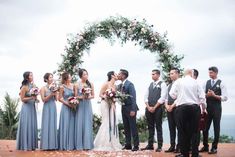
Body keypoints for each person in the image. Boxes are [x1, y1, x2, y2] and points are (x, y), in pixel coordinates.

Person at [170, 69, 206, 157]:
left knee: (182, 131)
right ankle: (195, 154)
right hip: (194, 109)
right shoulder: (196, 82)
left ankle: (184, 153)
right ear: (191, 73)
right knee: (195, 132)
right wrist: (203, 109)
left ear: (185, 74)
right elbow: (202, 98)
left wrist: (179, 95)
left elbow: (172, 94)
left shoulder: (178, 81)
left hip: (181, 109)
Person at [200, 66, 228, 154]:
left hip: (217, 108)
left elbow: (225, 97)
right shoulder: (206, 82)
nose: (209, 74)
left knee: (216, 128)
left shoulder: (222, 83)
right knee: (205, 128)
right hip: (207, 109)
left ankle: (214, 147)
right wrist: (206, 95)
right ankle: (205, 146)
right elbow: (201, 95)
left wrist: (214, 95)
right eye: (209, 72)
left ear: (216, 73)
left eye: (211, 72)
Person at [94, 71, 122, 151]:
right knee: (106, 121)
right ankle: (103, 143)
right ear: (112, 76)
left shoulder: (115, 86)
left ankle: (112, 143)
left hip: (112, 105)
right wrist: (107, 97)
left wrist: (113, 101)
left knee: (112, 122)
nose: (117, 75)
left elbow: (115, 97)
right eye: (116, 74)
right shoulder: (106, 84)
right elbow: (100, 94)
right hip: (105, 103)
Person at [141, 69, 166, 152]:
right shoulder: (150, 85)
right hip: (149, 109)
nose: (152, 76)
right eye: (151, 74)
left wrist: (154, 107)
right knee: (150, 127)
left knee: (158, 126)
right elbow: (145, 97)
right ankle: (150, 145)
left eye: (154, 74)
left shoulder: (163, 84)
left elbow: (163, 97)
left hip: (158, 108)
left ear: (158, 75)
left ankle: (159, 145)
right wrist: (148, 107)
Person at [118, 69, 139, 151]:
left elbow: (133, 97)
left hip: (131, 108)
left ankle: (136, 145)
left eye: (119, 74)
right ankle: (128, 144)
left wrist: (133, 110)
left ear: (123, 75)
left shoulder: (130, 84)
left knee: (133, 127)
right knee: (126, 127)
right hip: (123, 108)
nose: (118, 75)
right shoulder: (120, 85)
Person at [16, 71, 38, 150]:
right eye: (31, 75)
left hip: (32, 107)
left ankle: (31, 145)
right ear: (27, 77)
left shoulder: (34, 86)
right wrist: (31, 98)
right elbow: (22, 99)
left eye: (32, 75)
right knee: (26, 125)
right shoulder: (24, 87)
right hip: (26, 108)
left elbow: (35, 95)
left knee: (32, 124)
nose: (32, 76)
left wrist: (36, 98)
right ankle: (25, 145)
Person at [74, 68, 94, 150]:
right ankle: (79, 145)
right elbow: (75, 96)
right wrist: (82, 96)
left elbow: (93, 96)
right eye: (84, 74)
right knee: (80, 123)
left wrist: (88, 96)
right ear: (81, 76)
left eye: (87, 74)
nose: (86, 76)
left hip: (88, 105)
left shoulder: (91, 84)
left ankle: (87, 144)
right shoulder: (77, 84)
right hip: (80, 105)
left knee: (87, 123)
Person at [58, 72, 76, 150]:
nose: (71, 78)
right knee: (66, 124)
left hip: (73, 107)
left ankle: (72, 144)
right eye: (69, 77)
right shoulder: (62, 87)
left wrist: (74, 103)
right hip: (65, 108)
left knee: (72, 125)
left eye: (70, 77)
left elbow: (75, 96)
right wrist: (68, 104)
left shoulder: (73, 86)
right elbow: (60, 98)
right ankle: (65, 144)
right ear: (65, 78)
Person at [40, 73, 58, 150]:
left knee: (52, 124)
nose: (52, 78)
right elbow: (43, 100)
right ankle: (45, 145)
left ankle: (52, 145)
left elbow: (56, 99)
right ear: (46, 79)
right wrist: (51, 94)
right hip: (47, 107)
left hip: (53, 106)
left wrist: (55, 92)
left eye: (52, 77)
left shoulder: (54, 87)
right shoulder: (43, 88)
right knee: (46, 124)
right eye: (50, 77)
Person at [165, 68, 180, 153]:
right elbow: (166, 97)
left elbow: (180, 97)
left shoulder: (180, 84)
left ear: (177, 74)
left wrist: (172, 106)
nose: (170, 75)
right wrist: (167, 106)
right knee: (171, 128)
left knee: (179, 128)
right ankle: (172, 146)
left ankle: (179, 146)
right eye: (170, 74)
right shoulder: (169, 85)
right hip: (169, 108)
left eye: (172, 73)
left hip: (177, 108)